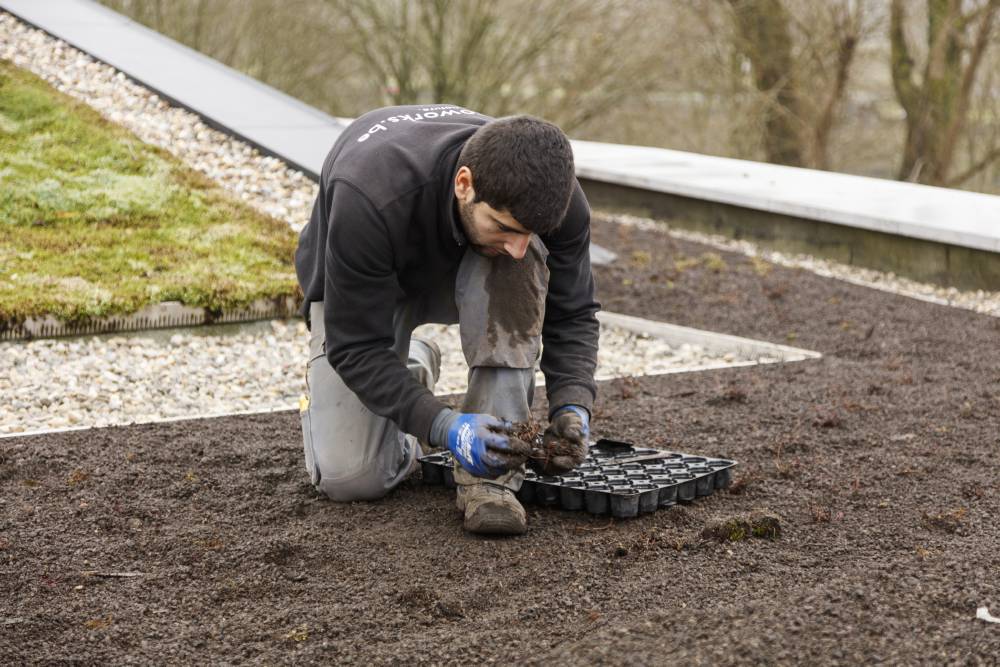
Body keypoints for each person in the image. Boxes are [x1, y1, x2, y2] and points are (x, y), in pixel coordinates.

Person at [295, 104, 599, 535]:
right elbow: (356, 345)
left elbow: (573, 311)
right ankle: (410, 365)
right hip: (371, 289)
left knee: (517, 265)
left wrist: (573, 402)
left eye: (528, 232)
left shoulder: (552, 200)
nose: (517, 245)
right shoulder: (368, 192)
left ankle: (491, 480)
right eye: (504, 226)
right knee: (351, 476)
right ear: (464, 184)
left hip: (474, 273)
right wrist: (443, 425)